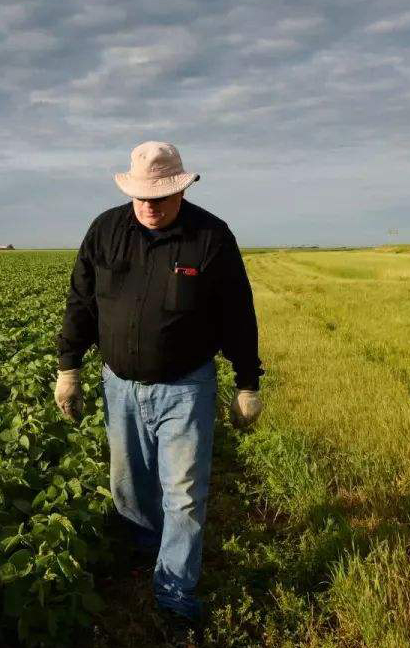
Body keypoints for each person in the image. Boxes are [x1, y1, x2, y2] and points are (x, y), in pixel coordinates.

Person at [53, 141, 264, 623]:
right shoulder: (105, 231)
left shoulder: (210, 237)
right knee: (128, 485)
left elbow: (237, 313)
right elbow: (81, 301)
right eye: (142, 195)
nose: (150, 205)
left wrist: (247, 383)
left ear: (181, 190)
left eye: (161, 197)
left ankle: (174, 594)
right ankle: (144, 550)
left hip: (186, 387)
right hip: (119, 385)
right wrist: (69, 369)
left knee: (184, 493)